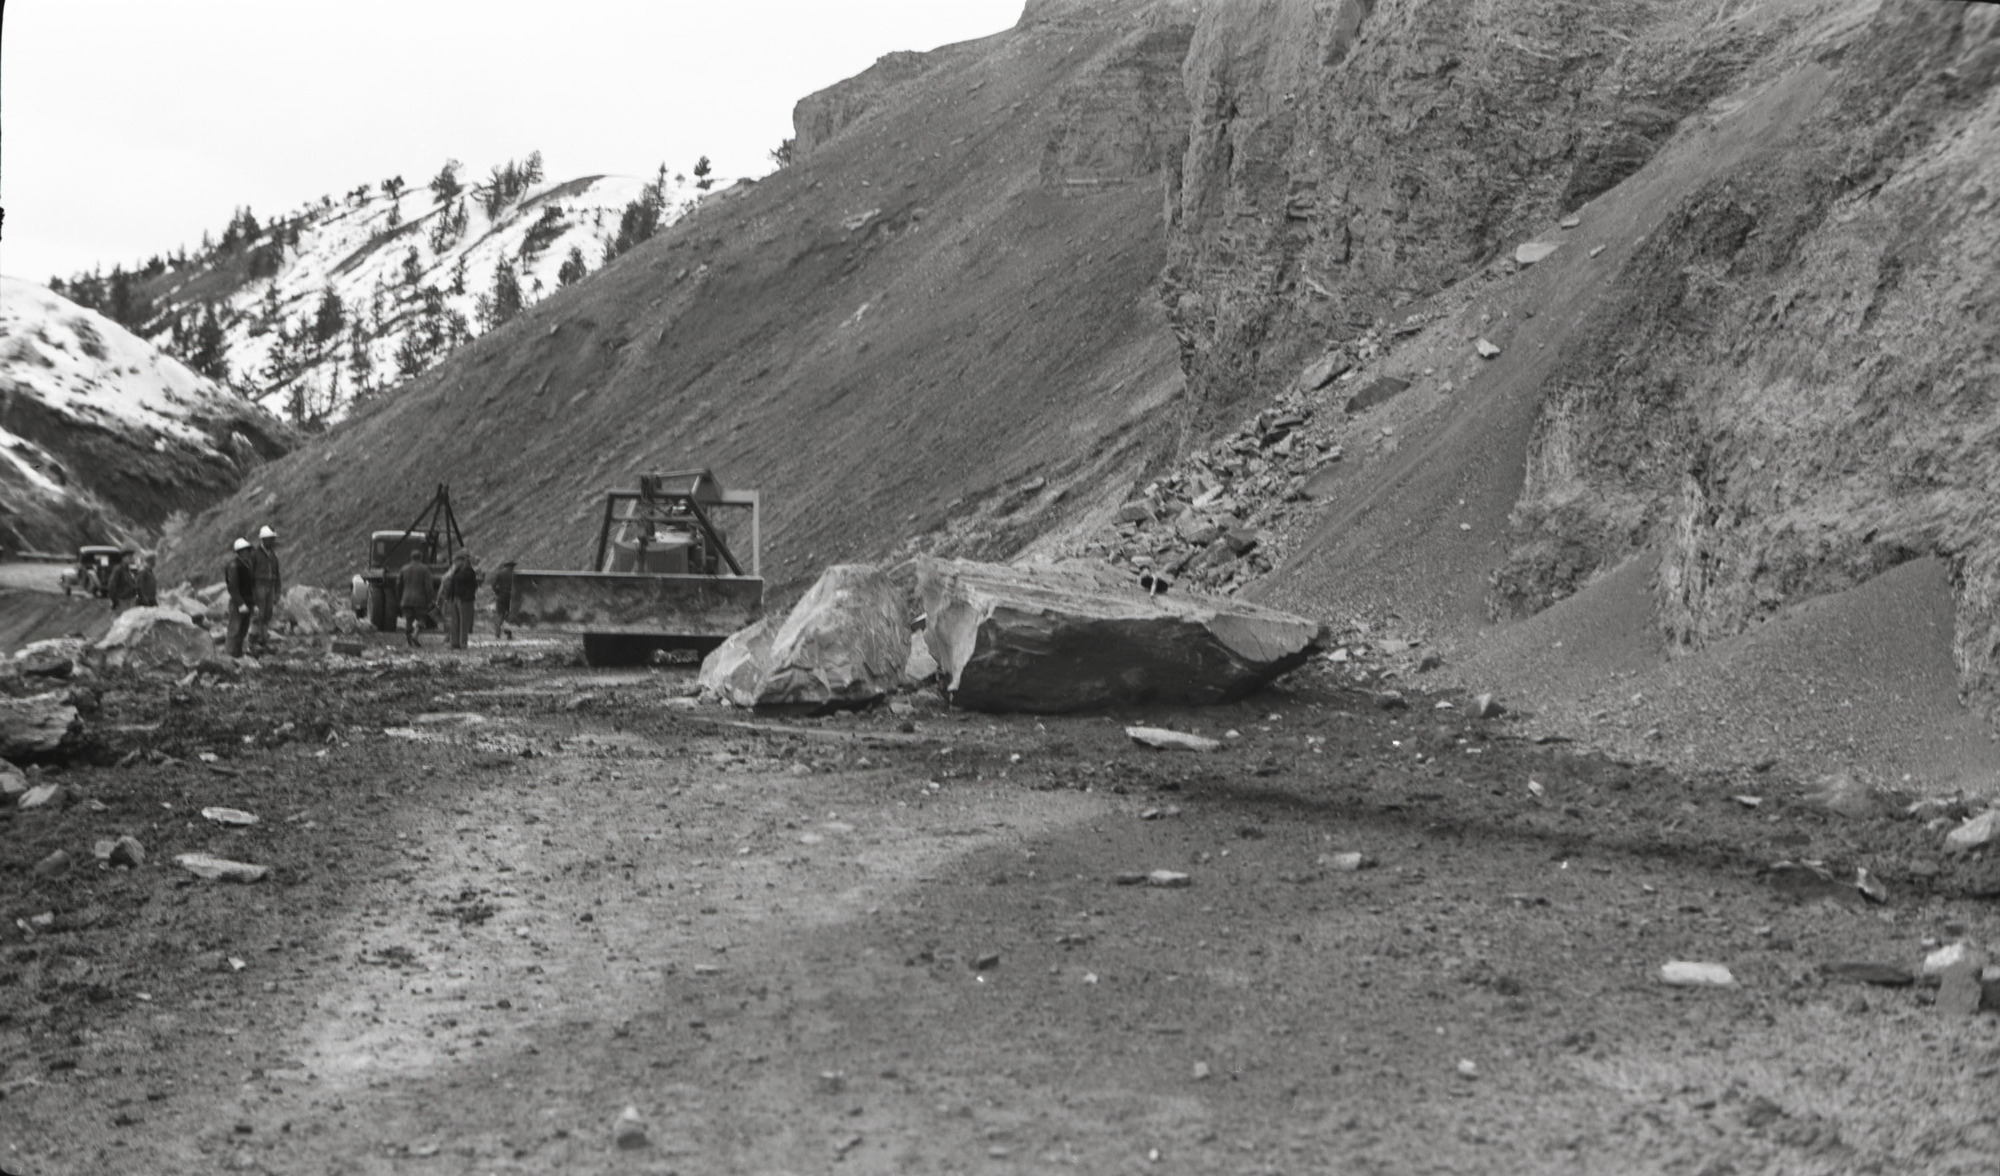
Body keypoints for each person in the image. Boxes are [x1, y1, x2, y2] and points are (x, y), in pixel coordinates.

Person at [249, 525, 281, 655]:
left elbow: (277, 574)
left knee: (267, 614)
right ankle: (253, 644)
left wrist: (277, 592)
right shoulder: (255, 555)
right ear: (264, 539)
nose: (273, 541)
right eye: (271, 539)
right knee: (258, 616)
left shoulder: (273, 555)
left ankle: (264, 641)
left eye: (273, 539)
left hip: (270, 586)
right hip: (259, 587)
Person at [224, 538, 256, 657]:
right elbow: (232, 587)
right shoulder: (234, 566)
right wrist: (240, 603)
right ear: (240, 552)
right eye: (246, 550)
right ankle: (228, 656)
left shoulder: (247, 564)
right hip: (238, 603)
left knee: (243, 629)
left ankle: (238, 654)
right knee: (234, 629)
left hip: (248, 601)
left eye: (248, 550)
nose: (248, 552)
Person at [441, 552, 479, 650]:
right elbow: (449, 581)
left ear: (463, 561)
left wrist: (452, 572)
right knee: (455, 622)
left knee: (463, 623)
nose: (455, 563)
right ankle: (455, 643)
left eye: (457, 561)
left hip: (465, 600)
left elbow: (459, 579)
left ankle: (463, 644)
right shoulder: (458, 572)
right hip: (456, 598)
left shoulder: (468, 571)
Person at [398, 552, 435, 647]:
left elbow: (398, 585)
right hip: (420, 600)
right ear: (421, 557)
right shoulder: (425, 569)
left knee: (408, 620)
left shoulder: (403, 568)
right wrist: (431, 598)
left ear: (411, 557)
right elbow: (429, 586)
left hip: (406, 599)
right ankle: (415, 635)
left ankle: (409, 641)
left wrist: (400, 597)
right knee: (422, 618)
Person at [491, 560, 517, 639]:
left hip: (501, 596)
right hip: (512, 598)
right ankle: (509, 634)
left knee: (500, 615)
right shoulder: (515, 574)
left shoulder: (500, 573)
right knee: (509, 616)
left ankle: (497, 633)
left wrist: (498, 592)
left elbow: (493, 585)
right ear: (513, 566)